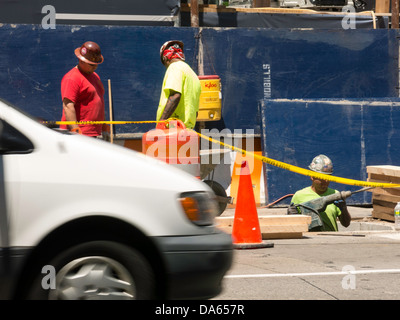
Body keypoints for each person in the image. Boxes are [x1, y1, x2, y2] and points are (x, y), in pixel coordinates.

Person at [287, 154, 351, 231]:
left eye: (328, 177)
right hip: (307, 241)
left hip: (332, 240)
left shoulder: (335, 194)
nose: (326, 181)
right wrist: (291, 217)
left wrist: (343, 209)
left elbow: (346, 224)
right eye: (322, 178)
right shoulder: (299, 196)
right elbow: (292, 226)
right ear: (312, 176)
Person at [60, 41, 105, 137]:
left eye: (96, 64)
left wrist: (105, 128)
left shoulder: (95, 76)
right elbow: (68, 106)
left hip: (91, 133)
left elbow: (99, 102)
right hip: (79, 135)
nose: (95, 67)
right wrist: (75, 131)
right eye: (92, 65)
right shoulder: (72, 78)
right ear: (81, 60)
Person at [156, 40, 201, 130]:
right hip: (188, 130)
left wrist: (161, 124)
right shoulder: (192, 74)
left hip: (173, 128)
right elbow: (195, 112)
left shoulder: (174, 67)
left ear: (165, 58)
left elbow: (175, 96)